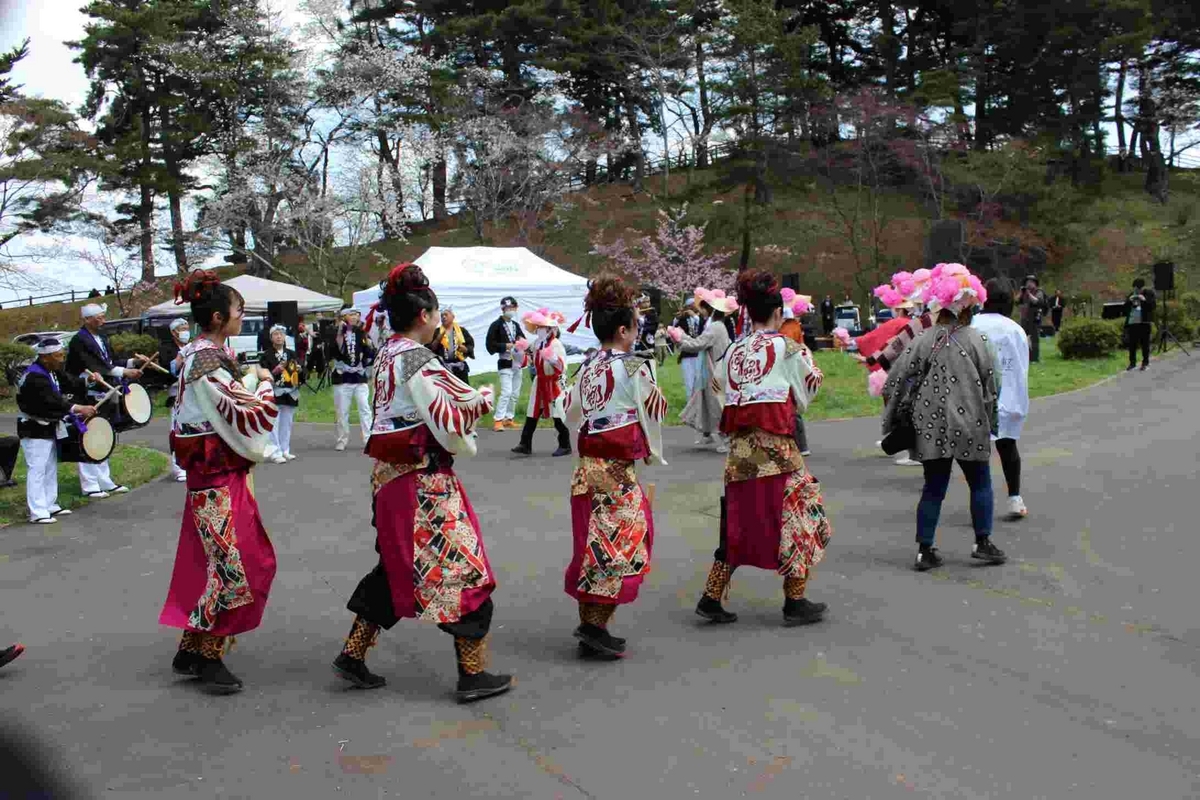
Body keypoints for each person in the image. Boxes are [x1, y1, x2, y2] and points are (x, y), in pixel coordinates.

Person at [332, 262, 513, 703]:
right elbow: (452, 409)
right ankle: (472, 674)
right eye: (436, 314)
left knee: (394, 566)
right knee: (466, 571)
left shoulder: (386, 355)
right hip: (422, 482)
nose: (437, 320)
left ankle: (352, 654)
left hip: (389, 480)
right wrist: (483, 400)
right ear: (423, 316)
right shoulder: (417, 358)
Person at [161, 270, 278, 694]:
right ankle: (209, 655)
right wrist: (265, 384)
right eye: (237, 310)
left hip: (210, 475)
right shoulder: (208, 358)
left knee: (220, 560)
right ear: (216, 317)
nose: (241, 316)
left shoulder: (198, 353)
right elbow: (243, 409)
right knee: (240, 563)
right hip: (216, 478)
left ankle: (191, 648)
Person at [695, 270, 832, 627]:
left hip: (739, 454)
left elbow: (717, 386)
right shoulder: (787, 346)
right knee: (799, 518)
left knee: (737, 524)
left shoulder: (732, 351)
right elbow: (810, 386)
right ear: (776, 313)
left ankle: (711, 596)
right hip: (778, 452)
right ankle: (795, 600)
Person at [563, 276, 668, 658]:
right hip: (617, 474)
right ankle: (594, 626)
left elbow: (569, 411)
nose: (637, 333)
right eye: (636, 327)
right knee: (622, 545)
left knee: (592, 546)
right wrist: (653, 450)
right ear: (624, 330)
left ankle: (592, 624)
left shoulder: (587, 367)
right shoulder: (636, 365)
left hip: (585, 471)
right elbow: (651, 413)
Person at [881, 264, 1007, 572]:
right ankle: (983, 543)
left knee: (933, 487)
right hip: (971, 423)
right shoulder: (980, 341)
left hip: (929, 425)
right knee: (980, 482)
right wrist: (991, 420)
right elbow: (994, 384)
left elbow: (894, 381)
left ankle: (925, 550)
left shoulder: (922, 340)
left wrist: (894, 417)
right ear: (970, 305)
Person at [16, 339, 100, 524]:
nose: (62, 359)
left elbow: (70, 382)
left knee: (50, 466)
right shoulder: (35, 377)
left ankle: (50, 504)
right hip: (33, 427)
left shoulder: (51, 371)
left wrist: (88, 380)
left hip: (48, 426)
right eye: (58, 356)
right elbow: (53, 401)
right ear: (45, 357)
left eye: (62, 354)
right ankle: (38, 511)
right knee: (37, 469)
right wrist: (78, 408)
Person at [65, 303, 143, 498]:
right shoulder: (79, 340)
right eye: (99, 318)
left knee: (104, 434)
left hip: (104, 392)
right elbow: (96, 367)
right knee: (88, 435)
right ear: (87, 319)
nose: (103, 320)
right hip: (85, 393)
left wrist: (133, 363)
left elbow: (110, 362)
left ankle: (105, 481)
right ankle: (90, 484)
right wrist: (125, 372)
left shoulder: (102, 338)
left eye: (103, 316)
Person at [973, 280, 1031, 520]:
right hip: (1006, 398)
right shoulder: (1014, 329)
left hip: (973, 399)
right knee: (1007, 447)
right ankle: (1014, 497)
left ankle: (980, 503)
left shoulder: (970, 325)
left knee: (977, 455)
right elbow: (1021, 368)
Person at [671, 289, 734, 453]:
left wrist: (680, 340)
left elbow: (698, 344)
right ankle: (707, 432)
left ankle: (726, 438)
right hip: (713, 370)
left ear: (710, 310)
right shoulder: (719, 326)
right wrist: (683, 337)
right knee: (704, 400)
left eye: (704, 308)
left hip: (714, 371)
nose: (701, 311)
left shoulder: (714, 327)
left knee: (715, 404)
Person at [512, 308, 571, 457]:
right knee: (532, 413)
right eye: (538, 327)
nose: (539, 330)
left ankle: (565, 444)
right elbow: (528, 360)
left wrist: (553, 359)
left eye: (542, 327)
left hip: (553, 383)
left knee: (557, 414)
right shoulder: (538, 343)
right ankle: (525, 444)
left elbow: (563, 366)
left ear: (550, 329)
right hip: (539, 382)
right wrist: (518, 352)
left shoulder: (556, 344)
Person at [332, 308, 374, 451]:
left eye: (357, 314)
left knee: (365, 408)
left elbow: (369, 353)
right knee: (343, 411)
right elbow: (332, 351)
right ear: (344, 317)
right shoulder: (337, 332)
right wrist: (339, 332)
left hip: (359, 377)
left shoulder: (361, 332)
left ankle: (368, 438)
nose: (355, 317)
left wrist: (368, 347)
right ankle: (342, 439)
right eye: (352, 314)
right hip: (343, 377)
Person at [260, 325, 300, 463]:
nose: (279, 337)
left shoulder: (291, 353)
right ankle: (275, 452)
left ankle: (285, 449)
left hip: (290, 391)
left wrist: (300, 369)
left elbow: (300, 371)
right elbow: (263, 374)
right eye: (276, 334)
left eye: (281, 334)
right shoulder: (266, 355)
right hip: (274, 391)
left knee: (287, 423)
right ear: (271, 338)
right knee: (274, 423)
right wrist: (275, 371)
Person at [485, 296, 526, 433]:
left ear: (515, 308)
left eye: (512, 308)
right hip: (504, 362)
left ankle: (509, 418)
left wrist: (523, 346)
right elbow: (490, 345)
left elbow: (523, 340)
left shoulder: (516, 325)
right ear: (503, 309)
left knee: (514, 393)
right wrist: (504, 346)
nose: (510, 310)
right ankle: (498, 419)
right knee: (506, 392)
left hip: (517, 363)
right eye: (507, 308)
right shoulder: (496, 325)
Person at [165, 318, 193, 482]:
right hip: (176, 393)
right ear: (174, 332)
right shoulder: (167, 349)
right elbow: (169, 371)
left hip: (193, 392)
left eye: (187, 328)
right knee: (177, 429)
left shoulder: (194, 346)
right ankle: (178, 467)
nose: (185, 331)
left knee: (193, 428)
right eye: (182, 328)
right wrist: (179, 360)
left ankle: (191, 464)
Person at [673, 300, 705, 399]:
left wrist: (695, 316)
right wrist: (676, 319)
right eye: (689, 306)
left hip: (699, 352)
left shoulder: (702, 317)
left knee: (699, 379)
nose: (692, 308)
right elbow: (673, 329)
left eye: (693, 305)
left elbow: (704, 328)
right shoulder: (683, 318)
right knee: (688, 379)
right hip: (686, 353)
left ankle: (699, 401)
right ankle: (690, 401)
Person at [432, 306, 474, 382]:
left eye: (446, 315)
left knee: (463, 392)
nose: (443, 317)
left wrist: (466, 349)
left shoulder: (461, 331)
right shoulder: (437, 332)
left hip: (460, 368)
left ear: (453, 316)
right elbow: (430, 348)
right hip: (443, 368)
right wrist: (438, 339)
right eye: (442, 316)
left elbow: (470, 344)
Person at [1123, 278, 1156, 371]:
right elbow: (1125, 308)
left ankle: (1145, 363)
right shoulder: (1132, 294)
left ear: (1142, 287)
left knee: (1145, 344)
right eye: (1135, 289)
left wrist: (1144, 299)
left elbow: (1153, 306)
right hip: (1132, 322)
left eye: (1138, 289)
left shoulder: (1149, 293)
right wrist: (1129, 301)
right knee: (1132, 344)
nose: (1136, 290)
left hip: (1144, 322)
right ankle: (1132, 363)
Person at [1018, 274, 1048, 363]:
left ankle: (1034, 358)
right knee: (1023, 338)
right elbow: (1016, 301)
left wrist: (1028, 294)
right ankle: (1025, 356)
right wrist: (1021, 293)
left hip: (1035, 318)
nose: (1029, 284)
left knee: (1034, 338)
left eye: (1031, 282)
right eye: (1027, 282)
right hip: (1024, 318)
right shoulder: (1024, 292)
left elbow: (1037, 301)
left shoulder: (1039, 291)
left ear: (1035, 283)